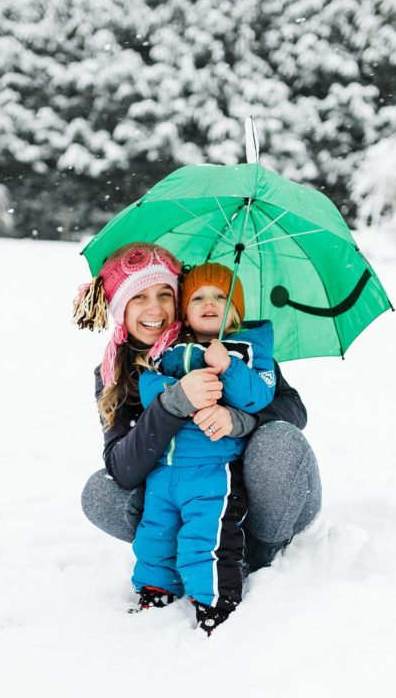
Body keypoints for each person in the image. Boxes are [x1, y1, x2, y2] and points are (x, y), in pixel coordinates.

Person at [74, 243, 321, 598]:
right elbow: (123, 467)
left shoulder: (226, 344)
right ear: (119, 308)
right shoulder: (115, 371)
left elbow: (293, 410)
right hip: (188, 493)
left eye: (164, 294)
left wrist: (239, 419)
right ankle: (188, 543)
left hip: (268, 496)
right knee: (100, 491)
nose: (155, 308)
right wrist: (172, 404)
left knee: (279, 439)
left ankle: (259, 549)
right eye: (139, 297)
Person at [131, 262, 275, 633]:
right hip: (165, 467)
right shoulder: (171, 349)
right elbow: (149, 386)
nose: (209, 303)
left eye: (221, 296)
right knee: (155, 532)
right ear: (184, 309)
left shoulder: (249, 350)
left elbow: (257, 398)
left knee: (206, 535)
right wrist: (177, 393)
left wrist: (227, 366)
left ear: (237, 310)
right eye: (198, 297)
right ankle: (155, 589)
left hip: (213, 466)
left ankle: (214, 601)